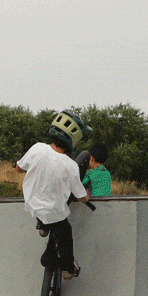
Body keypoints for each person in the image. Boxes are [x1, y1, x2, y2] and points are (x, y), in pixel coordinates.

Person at [16, 111, 90, 280]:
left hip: (31, 203)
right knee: (65, 234)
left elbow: (19, 168)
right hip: (54, 213)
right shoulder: (70, 166)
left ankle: (42, 226)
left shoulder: (37, 148)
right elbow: (80, 197)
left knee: (44, 201)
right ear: (74, 139)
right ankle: (68, 269)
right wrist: (86, 196)